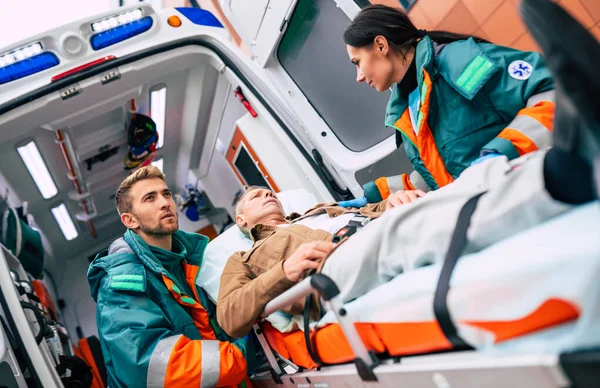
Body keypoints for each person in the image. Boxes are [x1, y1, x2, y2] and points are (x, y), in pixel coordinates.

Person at [218, 0, 600, 339]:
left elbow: (428, 176)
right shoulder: (244, 259)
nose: (267, 193)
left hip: (377, 223)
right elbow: (229, 316)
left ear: (381, 46)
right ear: (240, 218)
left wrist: (382, 200)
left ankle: (566, 158)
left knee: (458, 192)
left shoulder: (320, 210)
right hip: (336, 259)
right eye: (254, 195)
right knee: (416, 221)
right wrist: (284, 271)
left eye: (356, 62)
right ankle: (565, 169)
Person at [340, 4, 556, 207]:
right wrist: (380, 194)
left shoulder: (459, 63)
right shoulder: (407, 107)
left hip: (536, 195)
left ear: (381, 45)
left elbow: (554, 90)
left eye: (357, 62)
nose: (358, 76)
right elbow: (441, 174)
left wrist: (504, 150)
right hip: (493, 211)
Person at [87, 166, 252, 388]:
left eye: (166, 194)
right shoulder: (119, 285)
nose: (165, 202)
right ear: (130, 221)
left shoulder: (194, 257)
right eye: (149, 198)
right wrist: (243, 349)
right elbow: (158, 365)